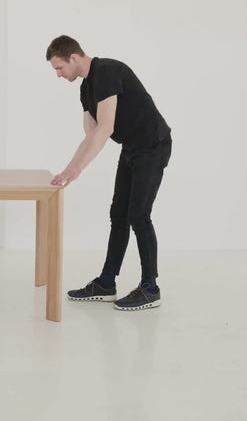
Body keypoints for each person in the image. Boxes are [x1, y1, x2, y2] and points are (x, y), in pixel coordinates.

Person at [46, 35, 172, 311]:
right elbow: (91, 135)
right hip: (132, 148)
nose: (58, 75)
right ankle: (106, 283)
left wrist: (77, 169)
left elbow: (105, 128)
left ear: (74, 58)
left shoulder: (108, 71)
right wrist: (69, 170)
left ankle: (150, 288)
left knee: (139, 215)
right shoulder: (85, 89)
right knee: (118, 214)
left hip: (153, 146)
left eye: (59, 68)